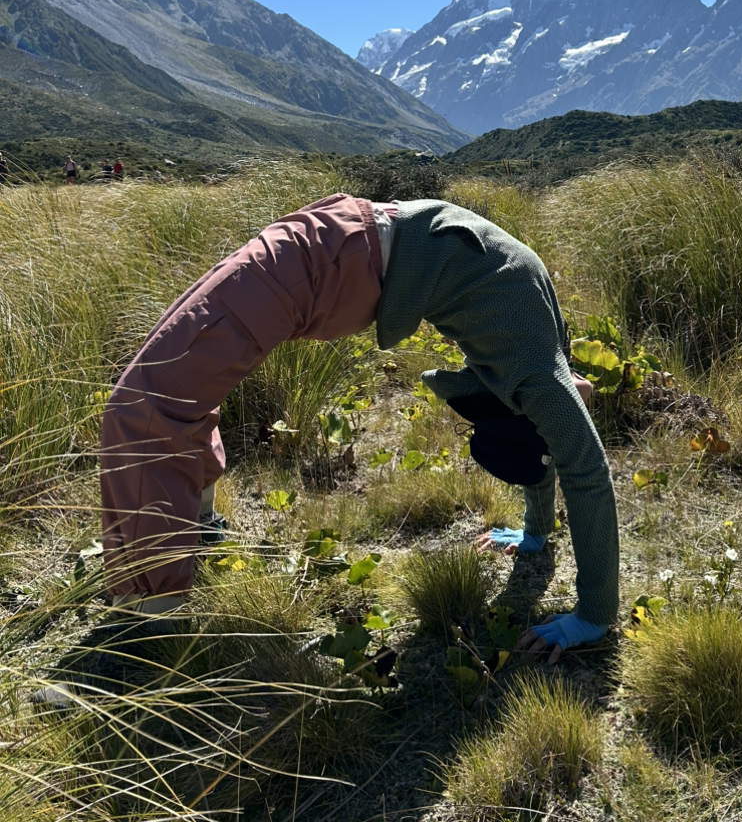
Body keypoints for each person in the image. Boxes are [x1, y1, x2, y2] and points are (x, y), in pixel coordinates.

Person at [100, 194, 617, 656]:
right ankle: (159, 600)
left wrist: (542, 546)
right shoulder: (531, 369)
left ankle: (155, 613)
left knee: (152, 402)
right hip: (330, 256)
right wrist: (586, 604)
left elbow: (564, 454)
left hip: (341, 241)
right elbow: (577, 462)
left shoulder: (530, 348)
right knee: (147, 404)